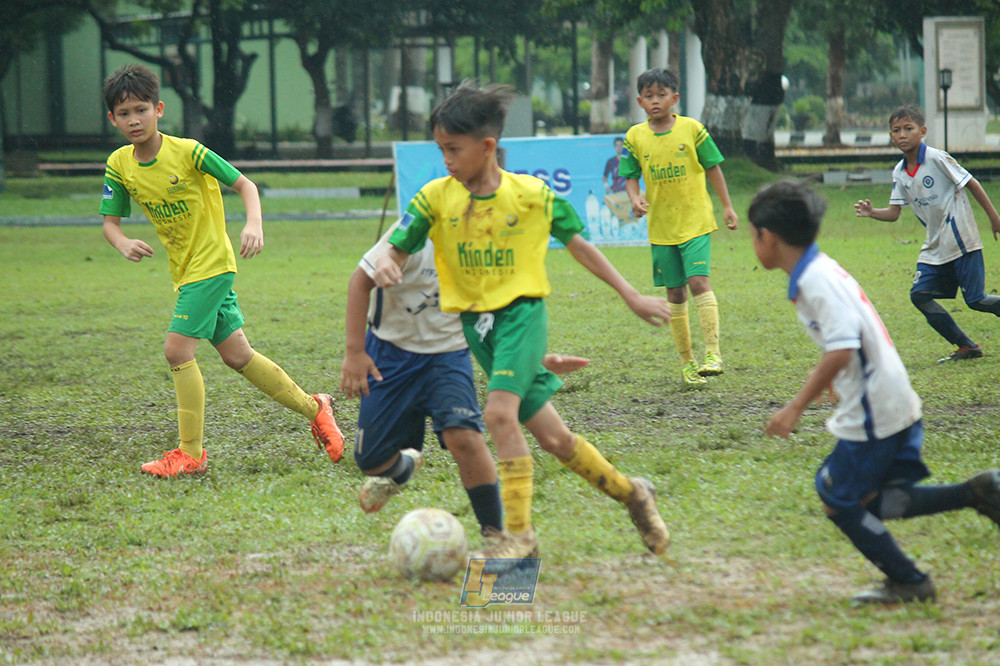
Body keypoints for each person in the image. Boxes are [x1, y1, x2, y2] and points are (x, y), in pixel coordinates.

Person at [373, 81, 673, 560]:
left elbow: (581, 246)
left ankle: (519, 538)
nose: (446, 159)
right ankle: (633, 493)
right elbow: (395, 248)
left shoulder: (532, 196)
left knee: (497, 415)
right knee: (555, 439)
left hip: (521, 316)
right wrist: (389, 262)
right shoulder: (434, 198)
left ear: (487, 147)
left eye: (454, 148)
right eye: (440, 149)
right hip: (479, 329)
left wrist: (631, 295)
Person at [749, 180, 1000, 605]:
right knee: (869, 500)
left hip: (874, 408)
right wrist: (832, 378)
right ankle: (975, 493)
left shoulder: (814, 280)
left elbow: (844, 344)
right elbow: (847, 334)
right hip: (890, 396)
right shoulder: (818, 268)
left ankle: (909, 581)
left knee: (836, 497)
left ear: (767, 237)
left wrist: (795, 407)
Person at [99, 63, 343, 477]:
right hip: (186, 269)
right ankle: (314, 407)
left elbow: (245, 185)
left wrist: (254, 223)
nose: (133, 120)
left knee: (177, 349)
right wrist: (122, 242)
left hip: (211, 265)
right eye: (124, 114)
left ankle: (190, 454)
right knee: (238, 355)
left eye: (141, 109)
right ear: (113, 119)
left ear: (158, 109)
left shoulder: (190, 151)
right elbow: (110, 222)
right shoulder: (119, 164)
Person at [339, 220, 589, 536]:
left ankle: (496, 534)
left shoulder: (489, 250)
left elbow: (498, 319)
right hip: (389, 353)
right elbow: (359, 282)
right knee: (371, 461)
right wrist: (354, 353)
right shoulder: (418, 230)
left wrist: (535, 358)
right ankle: (400, 471)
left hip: (448, 355)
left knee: (465, 438)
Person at [620, 67, 739, 387]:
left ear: (675, 98)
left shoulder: (693, 129)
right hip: (661, 228)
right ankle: (687, 362)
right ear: (639, 101)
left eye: (661, 95)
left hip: (695, 221)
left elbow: (713, 167)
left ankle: (713, 353)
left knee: (699, 282)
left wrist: (727, 205)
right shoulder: (634, 137)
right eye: (649, 96)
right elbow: (629, 176)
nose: (655, 101)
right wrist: (633, 198)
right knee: (675, 292)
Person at [855, 104, 1000, 363]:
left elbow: (971, 183)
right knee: (919, 295)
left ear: (922, 131)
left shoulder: (937, 158)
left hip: (962, 242)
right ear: (891, 136)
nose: (902, 135)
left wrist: (994, 218)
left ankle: (968, 347)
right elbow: (894, 212)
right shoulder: (900, 172)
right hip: (935, 247)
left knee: (976, 300)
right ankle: (967, 347)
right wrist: (871, 212)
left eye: (908, 129)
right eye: (896, 130)